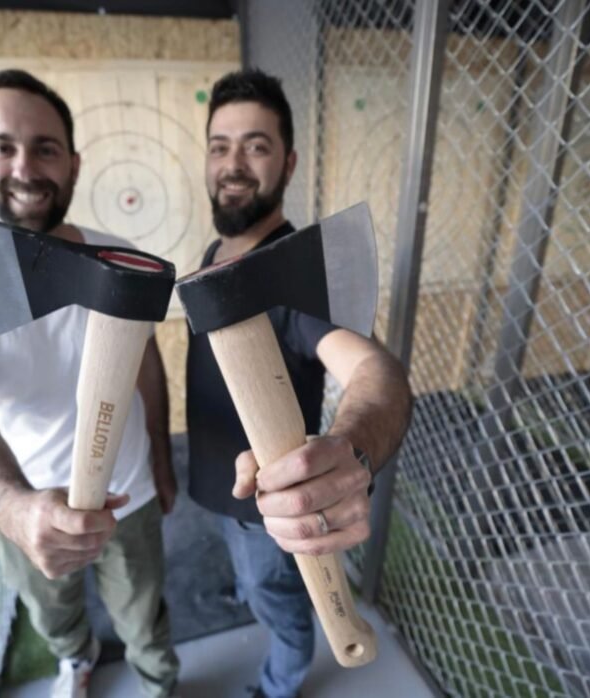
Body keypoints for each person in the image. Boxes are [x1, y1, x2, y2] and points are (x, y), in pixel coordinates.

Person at [0, 69, 180, 698]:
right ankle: (75, 661)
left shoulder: (121, 261)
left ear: (74, 164)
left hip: (129, 491)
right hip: (24, 502)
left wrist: (162, 459)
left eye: (45, 148)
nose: (25, 167)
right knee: (53, 615)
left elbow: (145, 363)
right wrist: (13, 509)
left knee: (144, 613)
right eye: (3, 146)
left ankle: (158, 682)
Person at [186, 68, 413, 698]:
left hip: (272, 511)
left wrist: (352, 451)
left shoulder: (297, 279)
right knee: (256, 581)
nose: (233, 164)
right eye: (220, 146)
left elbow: (376, 373)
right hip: (219, 488)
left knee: (277, 599)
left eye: (255, 146)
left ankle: (279, 684)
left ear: (287, 163)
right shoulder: (213, 257)